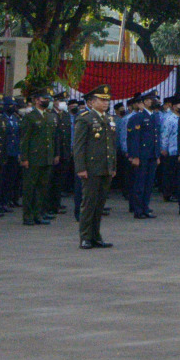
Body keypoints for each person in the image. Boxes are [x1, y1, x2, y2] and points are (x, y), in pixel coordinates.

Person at [73, 85, 118, 248]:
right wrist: (81, 168)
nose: (106, 103)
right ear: (91, 102)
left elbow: (111, 146)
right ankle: (85, 237)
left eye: (107, 100)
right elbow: (79, 146)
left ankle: (96, 235)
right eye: (102, 100)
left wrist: (113, 166)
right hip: (91, 167)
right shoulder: (84, 118)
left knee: (100, 204)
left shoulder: (109, 119)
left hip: (105, 167)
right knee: (89, 203)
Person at [18, 92, 55, 225]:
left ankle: (38, 214)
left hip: (46, 158)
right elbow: (25, 139)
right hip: (33, 158)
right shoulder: (30, 117)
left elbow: (51, 139)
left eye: (48, 99)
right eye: (45, 99)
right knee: (30, 188)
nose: (47, 101)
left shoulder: (49, 116)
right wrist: (24, 158)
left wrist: (53, 155)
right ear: (36, 100)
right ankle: (28, 216)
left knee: (42, 188)